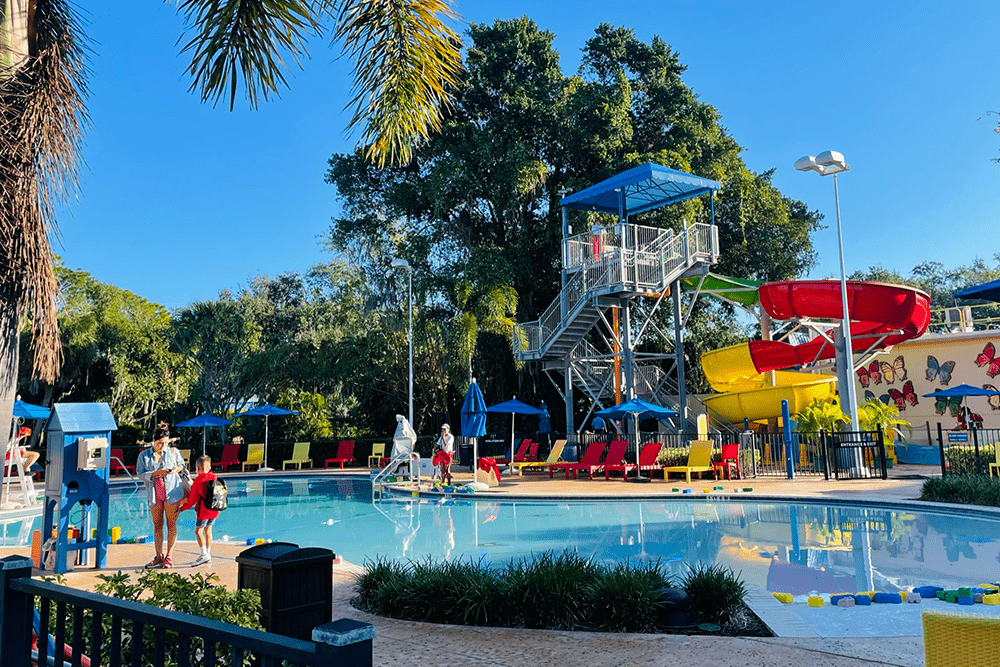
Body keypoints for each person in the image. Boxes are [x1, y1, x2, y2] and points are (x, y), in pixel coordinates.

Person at [136, 427, 186, 568]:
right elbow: (140, 473)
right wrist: (154, 473)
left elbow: (181, 466)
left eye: (165, 442)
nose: (163, 445)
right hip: (154, 492)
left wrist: (174, 470)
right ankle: (158, 556)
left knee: (171, 524)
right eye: (160, 443)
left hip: (171, 492)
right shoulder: (144, 456)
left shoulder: (173, 452)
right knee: (157, 524)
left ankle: (169, 556)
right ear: (154, 441)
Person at [179, 455, 220, 566]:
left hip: (204, 511)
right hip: (215, 510)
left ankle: (204, 555)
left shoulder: (198, 481)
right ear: (210, 466)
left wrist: (182, 509)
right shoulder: (214, 477)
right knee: (208, 531)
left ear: (198, 468)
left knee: (198, 531)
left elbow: (192, 499)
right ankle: (208, 554)